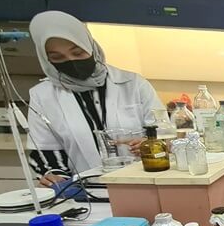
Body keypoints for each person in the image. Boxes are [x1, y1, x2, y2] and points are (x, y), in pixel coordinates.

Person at [26, 11, 163, 186]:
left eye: (78, 53)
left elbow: (163, 132)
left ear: (91, 47)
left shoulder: (133, 84)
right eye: (57, 57)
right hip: (84, 189)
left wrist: (150, 144)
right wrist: (55, 177)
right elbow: (45, 151)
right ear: (46, 60)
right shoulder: (42, 96)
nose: (71, 61)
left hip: (143, 183)